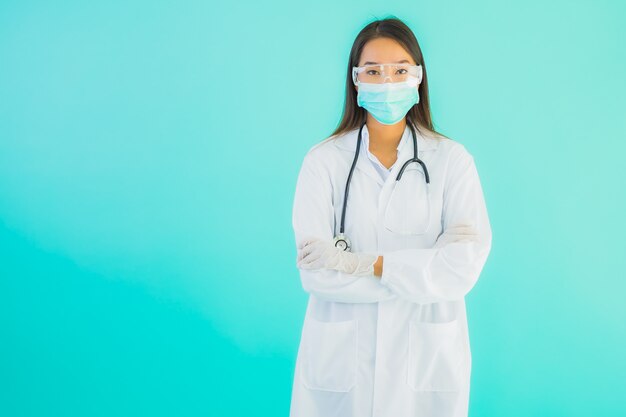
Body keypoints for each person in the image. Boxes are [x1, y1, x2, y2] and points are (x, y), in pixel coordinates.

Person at [289, 16, 492, 417]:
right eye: (373, 71)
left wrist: (366, 264)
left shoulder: (452, 161)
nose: (387, 82)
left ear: (418, 78)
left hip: (426, 366)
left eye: (400, 70)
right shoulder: (323, 162)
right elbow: (315, 272)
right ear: (356, 80)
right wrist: (422, 273)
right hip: (340, 370)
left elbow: (462, 270)